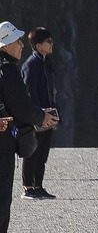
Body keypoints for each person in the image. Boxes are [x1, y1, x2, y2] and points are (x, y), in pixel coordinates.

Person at [0, 21, 57, 233]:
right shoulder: (9, 70)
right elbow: (22, 106)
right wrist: (40, 116)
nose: (21, 44)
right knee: (2, 196)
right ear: (5, 45)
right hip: (3, 140)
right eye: (16, 40)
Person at [20, 27, 60, 200]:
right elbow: (29, 92)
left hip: (48, 114)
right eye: (48, 41)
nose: (52, 44)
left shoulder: (46, 63)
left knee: (43, 153)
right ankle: (28, 187)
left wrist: (56, 113)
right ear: (38, 46)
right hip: (36, 115)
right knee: (32, 152)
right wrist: (37, 113)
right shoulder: (31, 64)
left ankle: (39, 185)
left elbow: (52, 90)